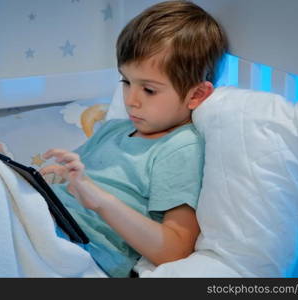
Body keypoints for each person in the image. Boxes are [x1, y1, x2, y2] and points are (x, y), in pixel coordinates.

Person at [14, 0, 227, 277]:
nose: (131, 100)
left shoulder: (180, 147)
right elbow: (69, 181)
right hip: (44, 221)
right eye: (126, 82)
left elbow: (175, 250)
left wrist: (101, 201)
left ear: (196, 95)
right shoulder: (113, 129)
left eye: (149, 90)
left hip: (79, 249)